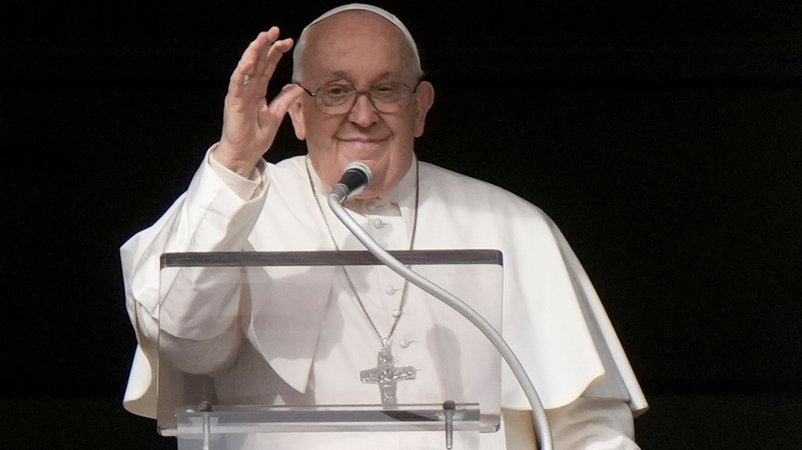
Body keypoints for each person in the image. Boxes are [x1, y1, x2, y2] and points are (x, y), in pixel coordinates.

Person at [120, 3, 648, 449]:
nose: (363, 115)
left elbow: (587, 424)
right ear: (297, 113)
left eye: (386, 90)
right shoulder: (233, 207)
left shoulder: (510, 223)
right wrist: (234, 161)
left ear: (420, 108)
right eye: (335, 91)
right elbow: (183, 342)